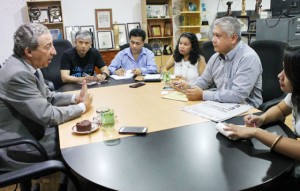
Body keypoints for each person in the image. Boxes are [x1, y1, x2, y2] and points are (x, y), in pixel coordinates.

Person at [0, 23, 93, 170]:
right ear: (29, 51)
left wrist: (75, 98)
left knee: (79, 133)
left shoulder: (28, 64)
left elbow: (47, 96)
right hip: (21, 146)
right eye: (48, 46)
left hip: (35, 130)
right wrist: (82, 107)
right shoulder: (18, 74)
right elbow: (48, 116)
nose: (54, 52)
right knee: (81, 147)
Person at [224, 45, 300, 190]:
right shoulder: (295, 94)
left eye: (287, 71)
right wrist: (262, 119)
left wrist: (257, 132)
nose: (280, 75)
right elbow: (280, 109)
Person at [173, 16, 263, 108]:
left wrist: (203, 94)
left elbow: (238, 96)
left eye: (218, 36)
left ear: (233, 38)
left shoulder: (248, 58)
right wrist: (189, 86)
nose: (213, 40)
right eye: (213, 35)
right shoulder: (216, 57)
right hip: (222, 106)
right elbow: (205, 81)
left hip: (248, 112)